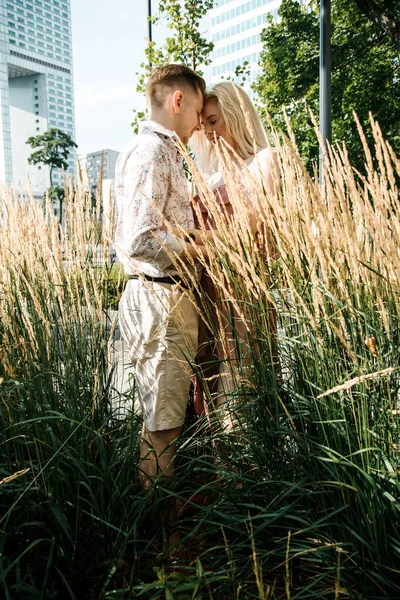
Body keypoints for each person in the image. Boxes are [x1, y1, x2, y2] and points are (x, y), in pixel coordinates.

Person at [114, 64, 206, 545]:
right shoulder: (151, 150)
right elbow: (139, 238)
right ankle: (162, 551)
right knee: (162, 426)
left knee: (163, 419)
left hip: (167, 298)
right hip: (160, 297)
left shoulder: (161, 151)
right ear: (177, 101)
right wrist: (199, 247)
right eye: (194, 109)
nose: (197, 122)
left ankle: (163, 540)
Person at [191, 81, 279, 421]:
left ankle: (243, 473)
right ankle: (218, 473)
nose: (209, 132)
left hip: (244, 296)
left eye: (215, 120)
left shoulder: (264, 161)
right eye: (204, 125)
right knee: (210, 393)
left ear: (237, 115)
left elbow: (248, 225)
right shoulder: (210, 178)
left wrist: (187, 238)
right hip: (207, 296)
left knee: (242, 393)